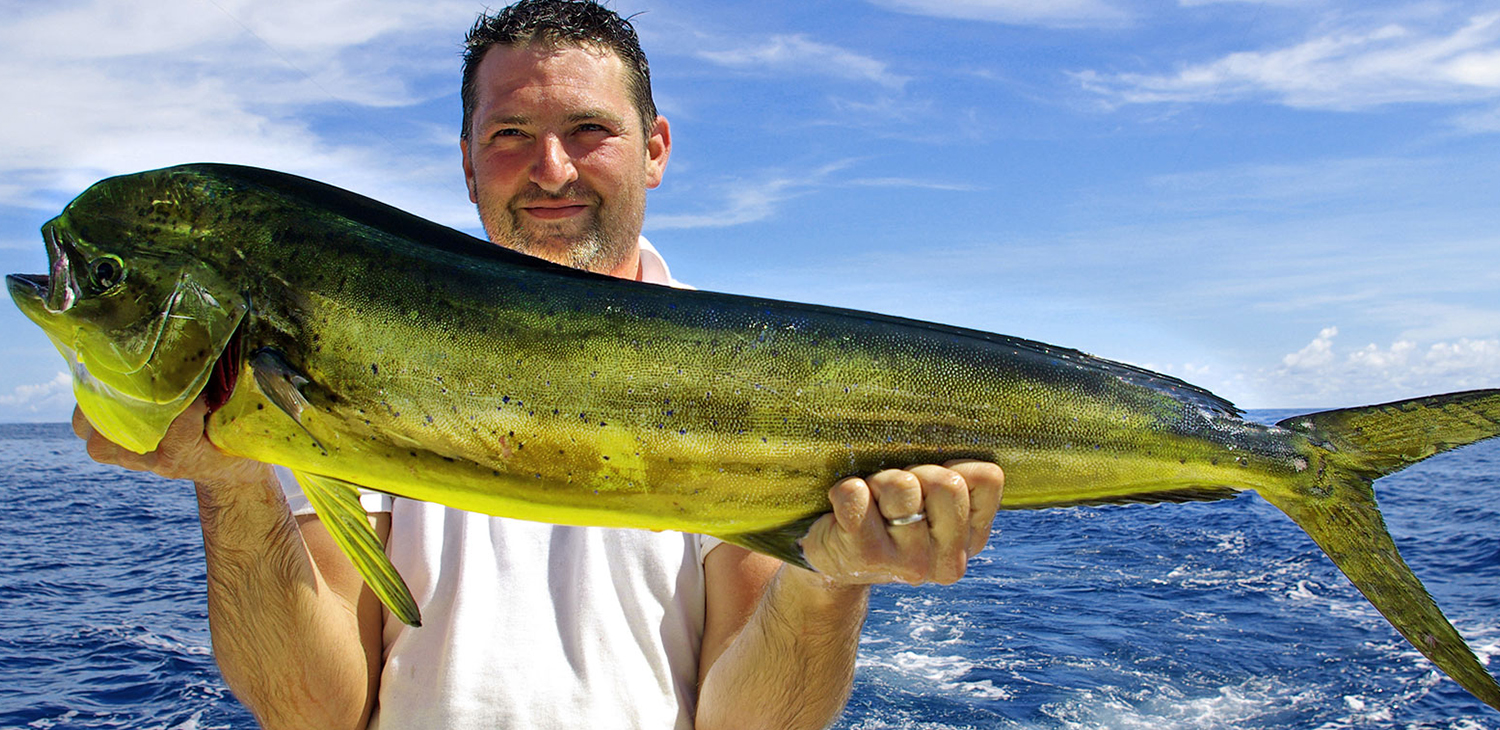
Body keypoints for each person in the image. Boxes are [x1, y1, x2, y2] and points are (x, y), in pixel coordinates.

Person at [72, 1, 1005, 728]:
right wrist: (231, 482)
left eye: (588, 131)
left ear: (656, 151)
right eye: (510, 135)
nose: (550, 168)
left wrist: (830, 575)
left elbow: (749, 722)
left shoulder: (755, 384)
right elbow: (314, 710)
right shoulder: (341, 348)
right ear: (469, 162)